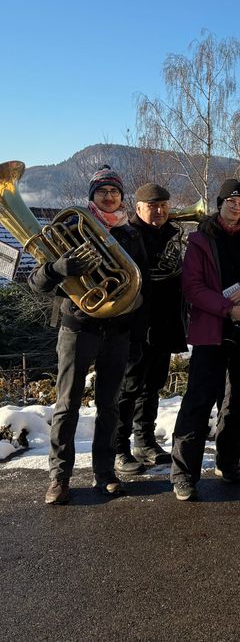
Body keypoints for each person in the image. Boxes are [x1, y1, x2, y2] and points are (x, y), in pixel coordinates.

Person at [32, 165, 147, 504]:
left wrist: (138, 337)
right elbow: (36, 282)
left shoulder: (129, 234)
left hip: (118, 331)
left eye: (114, 192)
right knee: (67, 405)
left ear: (122, 197)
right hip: (78, 328)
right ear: (92, 196)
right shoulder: (70, 226)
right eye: (102, 192)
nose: (109, 197)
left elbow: (143, 289)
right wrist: (58, 269)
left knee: (109, 406)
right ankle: (60, 477)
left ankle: (105, 472)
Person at [170, 180, 240, 501]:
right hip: (212, 330)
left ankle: (228, 462)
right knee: (198, 402)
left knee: (238, 402)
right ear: (220, 204)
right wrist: (228, 308)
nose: (237, 206)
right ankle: (184, 474)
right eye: (231, 201)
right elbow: (192, 287)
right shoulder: (200, 241)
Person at [114, 183, 188, 475]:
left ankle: (144, 441)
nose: (159, 211)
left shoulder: (172, 232)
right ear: (138, 208)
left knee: (154, 384)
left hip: (165, 319)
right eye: (153, 206)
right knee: (129, 385)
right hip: (136, 321)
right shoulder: (124, 235)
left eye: (164, 205)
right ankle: (118, 446)